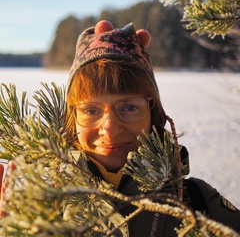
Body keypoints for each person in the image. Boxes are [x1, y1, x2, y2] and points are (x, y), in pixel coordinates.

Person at [0, 20, 239, 236]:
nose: (110, 129)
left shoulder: (197, 202)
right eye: (91, 111)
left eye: (130, 107)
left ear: (154, 114)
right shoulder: (45, 203)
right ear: (72, 119)